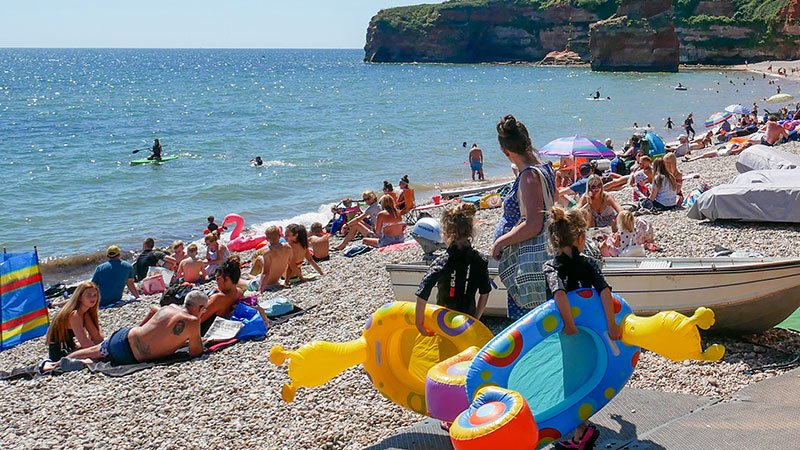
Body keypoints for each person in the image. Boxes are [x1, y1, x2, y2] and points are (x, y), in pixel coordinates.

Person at [542, 206, 620, 450]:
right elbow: (605, 292)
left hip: (570, 335)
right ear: (581, 238)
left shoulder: (552, 267)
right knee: (586, 376)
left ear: (554, 241)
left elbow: (559, 295)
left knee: (571, 383)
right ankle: (581, 428)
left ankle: (581, 432)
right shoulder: (588, 263)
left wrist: (569, 324)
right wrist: (612, 326)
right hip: (593, 333)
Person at [491, 114, 557, 319]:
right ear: (528, 141)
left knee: (530, 322)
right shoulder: (544, 168)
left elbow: (533, 224)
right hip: (543, 254)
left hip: (530, 262)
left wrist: (500, 242)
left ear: (505, 150)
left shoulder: (529, 176)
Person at [68, 290, 208, 365]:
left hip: (125, 335)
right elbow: (196, 352)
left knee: (94, 351)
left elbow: (156, 318)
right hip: (130, 354)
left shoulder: (169, 307)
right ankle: (79, 362)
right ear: (201, 308)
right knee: (98, 354)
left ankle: (56, 364)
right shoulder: (193, 321)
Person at [415, 203, 491, 335]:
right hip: (468, 320)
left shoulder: (442, 262)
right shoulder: (479, 260)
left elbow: (423, 292)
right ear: (471, 230)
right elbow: (484, 293)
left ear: (446, 232)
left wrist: (419, 323)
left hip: (444, 321)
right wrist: (476, 319)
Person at [46, 282, 104, 362]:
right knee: (95, 356)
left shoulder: (85, 313)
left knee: (104, 344)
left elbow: (96, 336)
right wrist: (102, 351)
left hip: (72, 347)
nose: (93, 298)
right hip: (61, 353)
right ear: (80, 297)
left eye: (95, 295)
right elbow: (85, 343)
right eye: (88, 295)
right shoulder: (74, 315)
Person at [201, 256, 243, 335]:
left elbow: (198, 319)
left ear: (226, 279)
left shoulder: (218, 298)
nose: (216, 281)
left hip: (205, 331)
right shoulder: (239, 292)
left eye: (217, 278)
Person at [254, 225, 295, 292]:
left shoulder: (268, 252)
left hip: (265, 284)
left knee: (243, 281)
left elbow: (265, 273)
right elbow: (291, 266)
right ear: (279, 236)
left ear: (267, 239)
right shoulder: (288, 247)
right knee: (259, 261)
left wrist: (260, 290)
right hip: (276, 282)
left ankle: (250, 278)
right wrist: (286, 282)